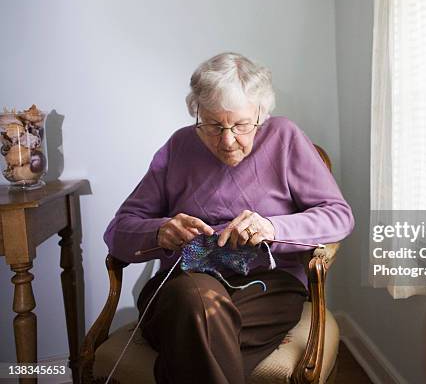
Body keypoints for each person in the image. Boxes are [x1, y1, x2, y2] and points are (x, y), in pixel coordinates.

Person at [103, 52, 354, 384]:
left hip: (268, 289)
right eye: (212, 125)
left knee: (195, 334)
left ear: (261, 113)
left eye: (240, 125)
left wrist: (272, 227)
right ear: (196, 113)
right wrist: (160, 231)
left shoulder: (285, 138)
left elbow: (338, 216)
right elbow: (118, 230)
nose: (226, 140)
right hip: (184, 287)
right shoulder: (179, 146)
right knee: (197, 305)